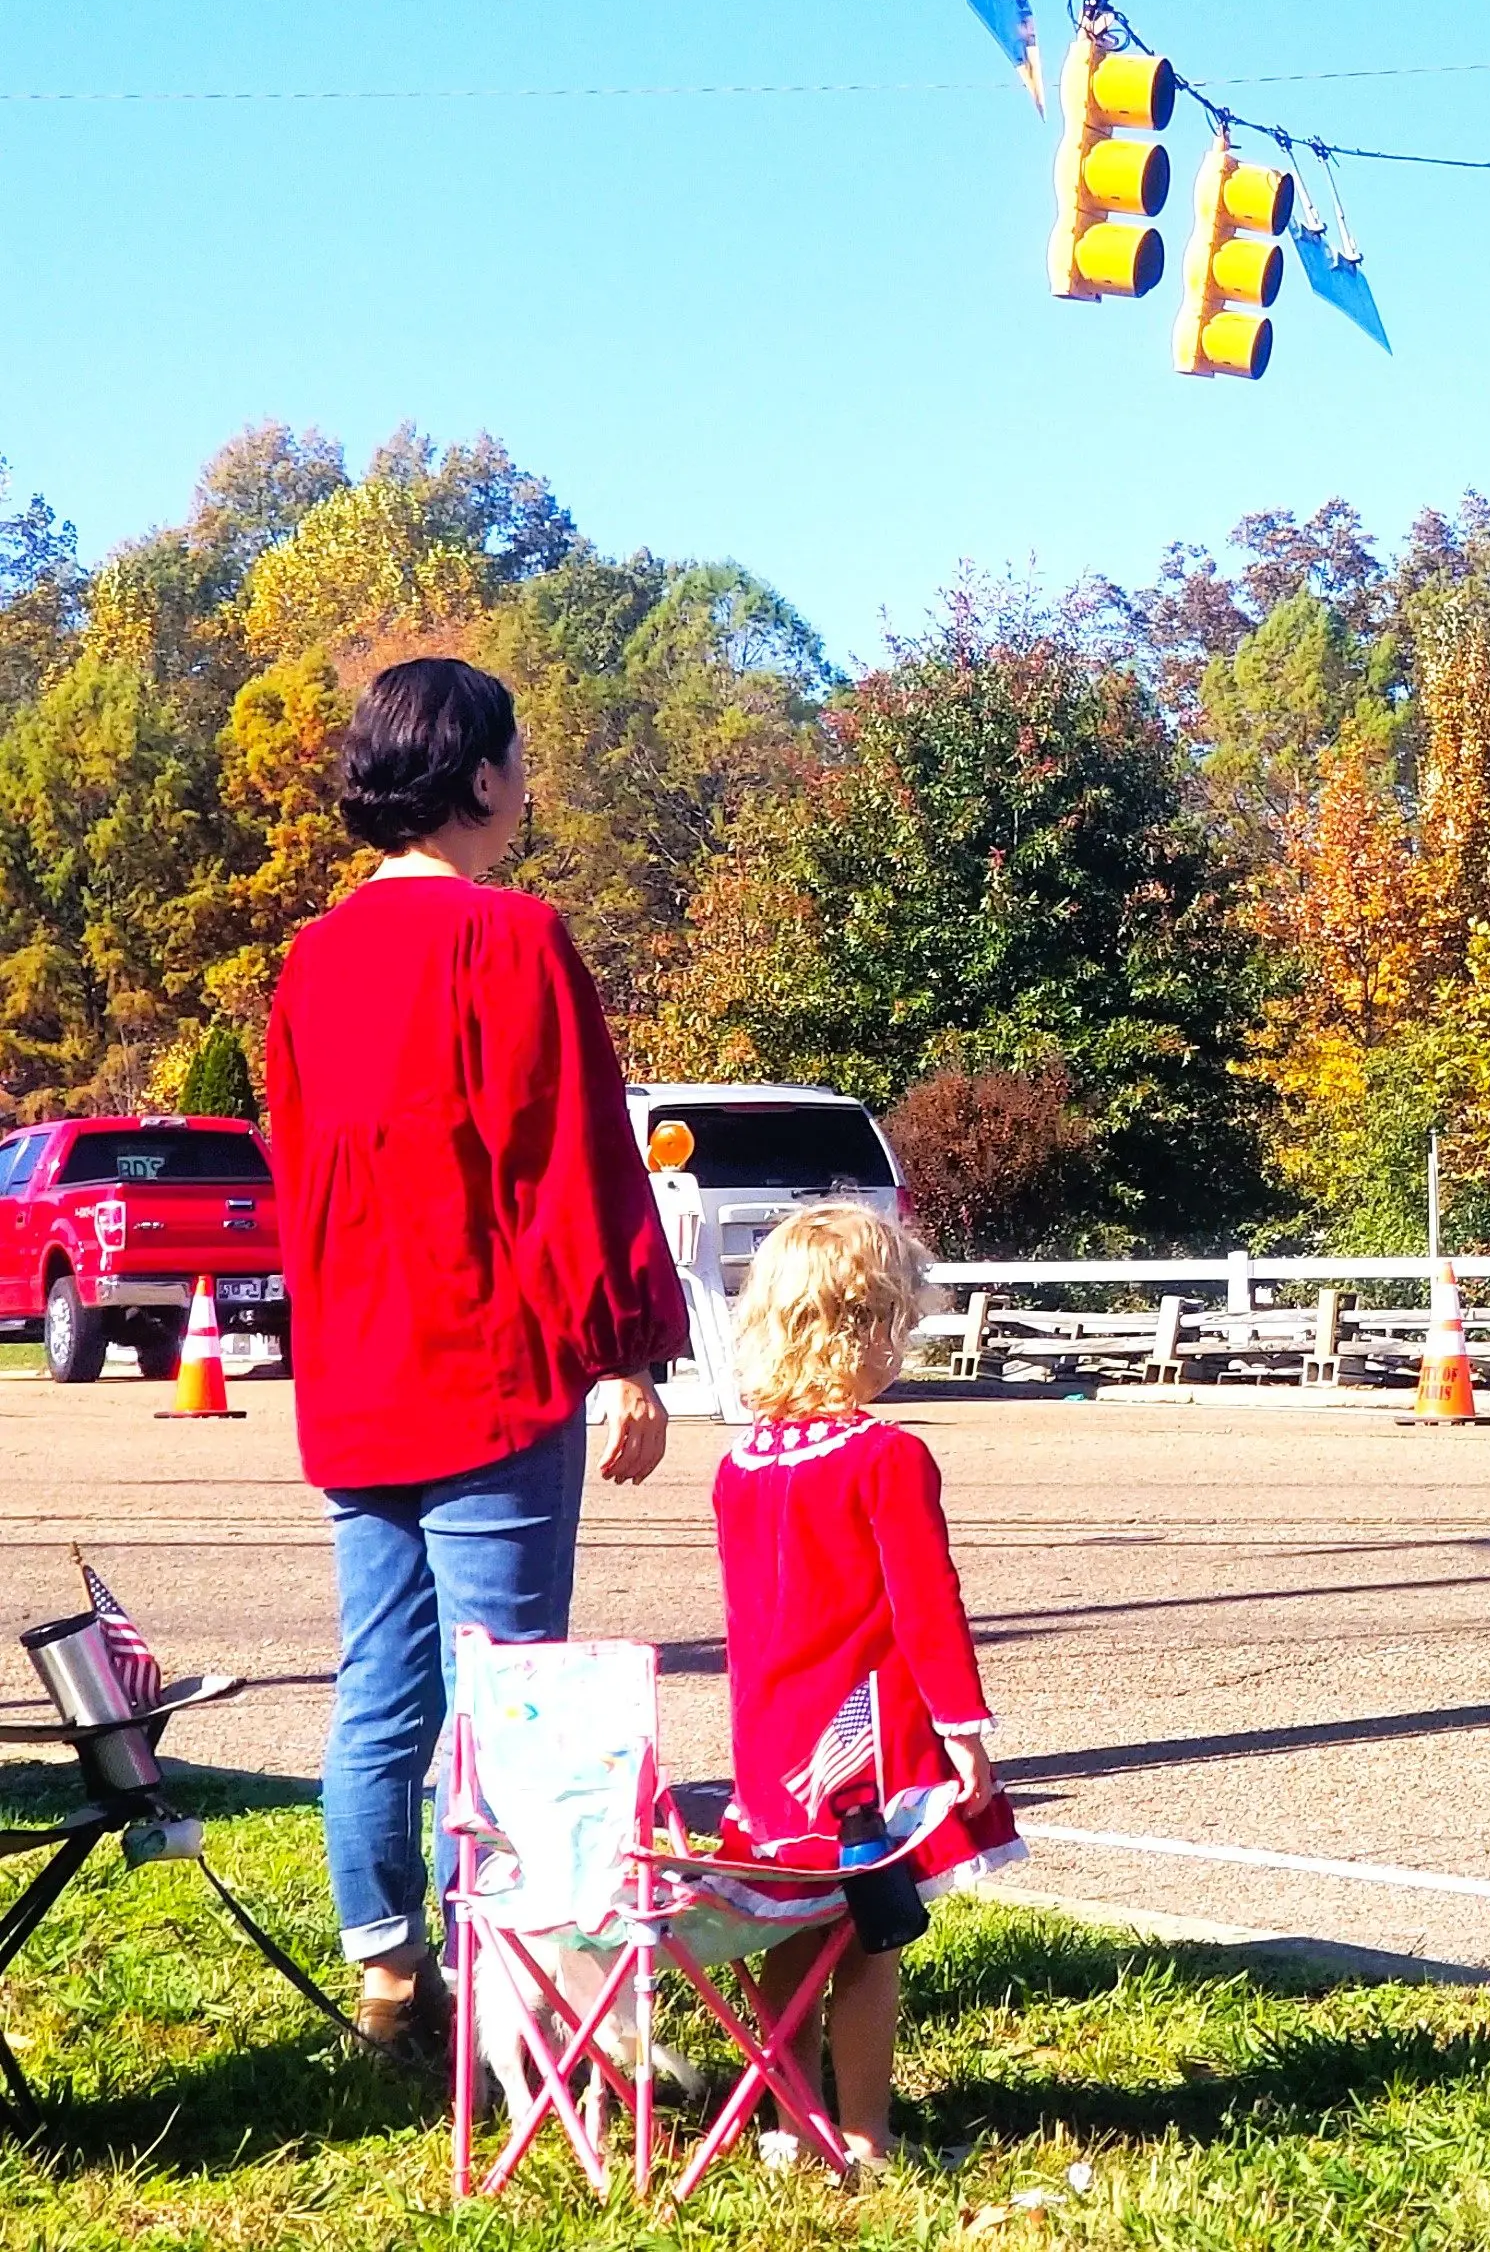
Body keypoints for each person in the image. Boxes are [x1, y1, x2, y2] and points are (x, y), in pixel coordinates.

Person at [263, 657, 685, 2048]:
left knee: (379, 1685)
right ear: (479, 775)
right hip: (487, 1371)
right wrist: (622, 1347)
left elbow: (303, 1182)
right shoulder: (511, 937)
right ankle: (510, 1967)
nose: (524, 784)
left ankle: (387, 1964)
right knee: (508, 1688)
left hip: (357, 1372)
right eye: (517, 758)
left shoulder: (311, 961)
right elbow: (565, 1161)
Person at [716, 1203, 1023, 2165]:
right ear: (873, 1329)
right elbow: (927, 1603)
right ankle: (867, 2133)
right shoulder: (887, 1457)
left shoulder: (739, 1467)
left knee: (792, 1934)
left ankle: (789, 2126)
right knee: (868, 1941)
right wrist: (962, 1729)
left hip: (772, 1744)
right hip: (865, 1745)